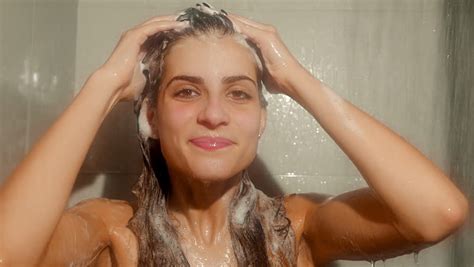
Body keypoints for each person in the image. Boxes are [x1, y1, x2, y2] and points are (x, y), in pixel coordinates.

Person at [0, 4, 469, 267]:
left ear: (262, 119)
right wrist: (104, 86)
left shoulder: (296, 230)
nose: (214, 114)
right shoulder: (112, 232)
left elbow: (438, 213)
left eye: (239, 94)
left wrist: (297, 81)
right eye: (186, 92)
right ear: (151, 117)